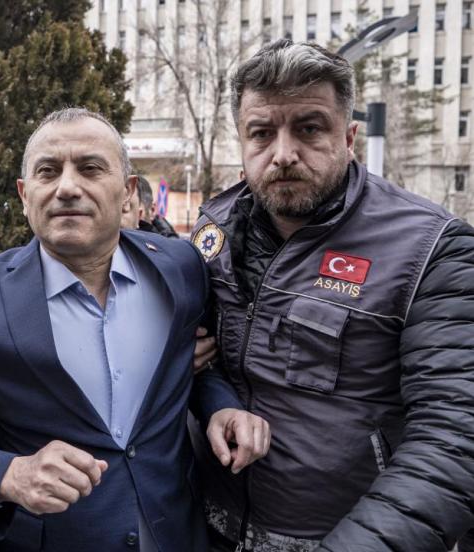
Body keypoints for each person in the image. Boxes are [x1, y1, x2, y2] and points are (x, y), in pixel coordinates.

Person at [0, 108, 271, 551]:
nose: (67, 187)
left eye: (90, 168)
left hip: (176, 534)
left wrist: (221, 407)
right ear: (24, 195)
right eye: (48, 171)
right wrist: (9, 475)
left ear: (128, 193)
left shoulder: (181, 268)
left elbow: (197, 367)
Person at [189, 39, 474, 552]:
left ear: (349, 136)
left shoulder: (432, 249)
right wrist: (210, 394)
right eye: (261, 133)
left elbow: (453, 439)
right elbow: (201, 362)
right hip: (212, 528)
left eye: (309, 128)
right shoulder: (213, 233)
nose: (283, 154)